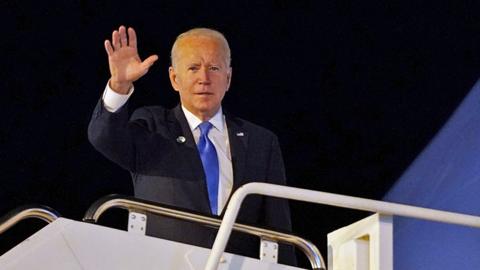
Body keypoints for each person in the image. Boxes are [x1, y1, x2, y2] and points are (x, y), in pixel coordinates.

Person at [88, 25, 296, 265]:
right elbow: (103, 137)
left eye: (214, 68)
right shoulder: (153, 126)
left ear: (228, 78)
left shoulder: (262, 142)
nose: (204, 79)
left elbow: (279, 229)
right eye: (193, 68)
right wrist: (119, 85)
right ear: (174, 78)